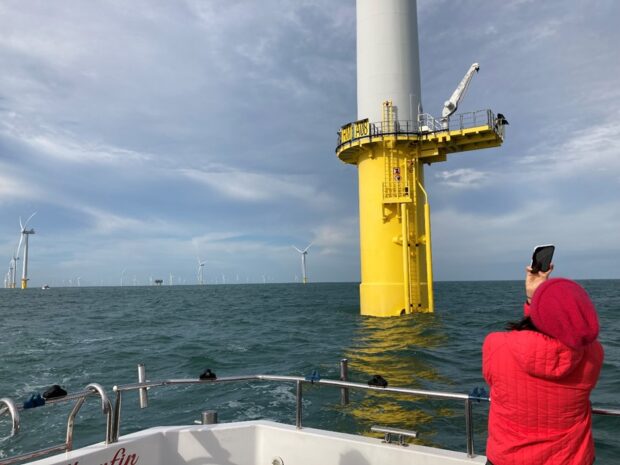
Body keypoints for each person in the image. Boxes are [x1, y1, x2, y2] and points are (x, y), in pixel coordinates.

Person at [482, 265, 604, 465]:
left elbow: (492, 378)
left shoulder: (496, 344)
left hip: (507, 459)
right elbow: (565, 329)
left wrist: (532, 297)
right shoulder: (593, 354)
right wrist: (536, 299)